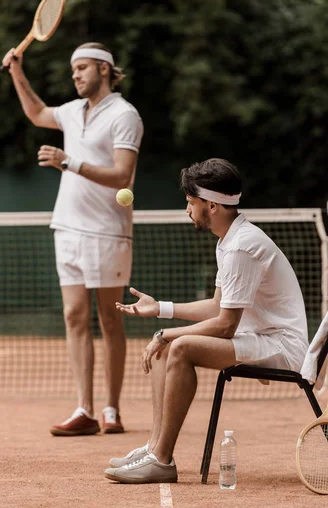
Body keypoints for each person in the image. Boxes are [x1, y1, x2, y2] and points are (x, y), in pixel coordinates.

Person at [104, 157, 308, 483]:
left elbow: (225, 325)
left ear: (211, 205)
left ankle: (161, 459)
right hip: (260, 337)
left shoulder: (242, 246)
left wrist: (167, 333)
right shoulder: (228, 240)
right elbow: (217, 306)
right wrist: (161, 310)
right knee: (165, 346)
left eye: (190, 201)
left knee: (179, 347)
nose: (187, 208)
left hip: (283, 347)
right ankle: (154, 447)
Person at [2, 42, 144, 436]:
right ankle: (84, 409)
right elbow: (35, 112)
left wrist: (69, 162)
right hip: (67, 228)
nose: (76, 75)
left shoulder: (124, 115)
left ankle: (112, 409)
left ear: (104, 68)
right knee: (73, 316)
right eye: (73, 70)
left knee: (110, 319)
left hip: (107, 230)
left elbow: (122, 175)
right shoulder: (70, 112)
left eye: (82, 68)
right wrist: (17, 71)